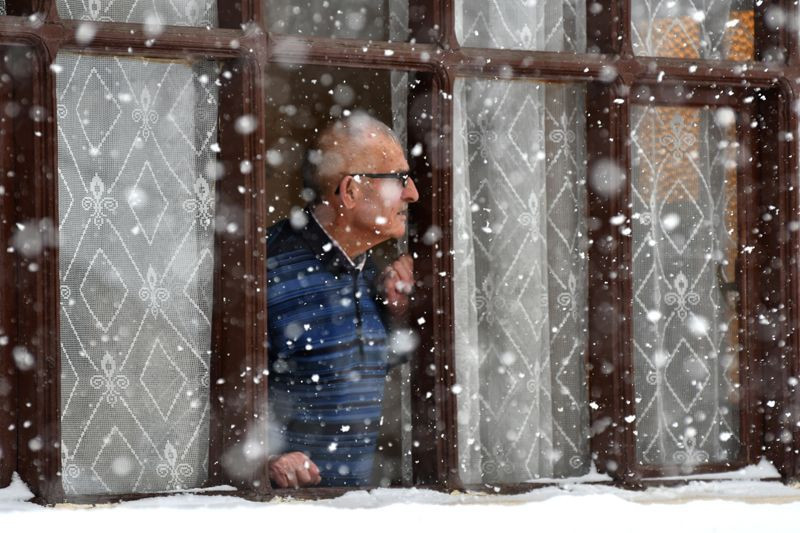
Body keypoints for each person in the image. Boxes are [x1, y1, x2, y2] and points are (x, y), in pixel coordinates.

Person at [265, 112, 419, 488]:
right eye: (399, 179)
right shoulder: (266, 270)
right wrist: (264, 463)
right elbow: (209, 393)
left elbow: (360, 372)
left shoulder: (370, 271)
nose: (412, 192)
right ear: (350, 192)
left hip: (357, 510)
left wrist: (396, 313)